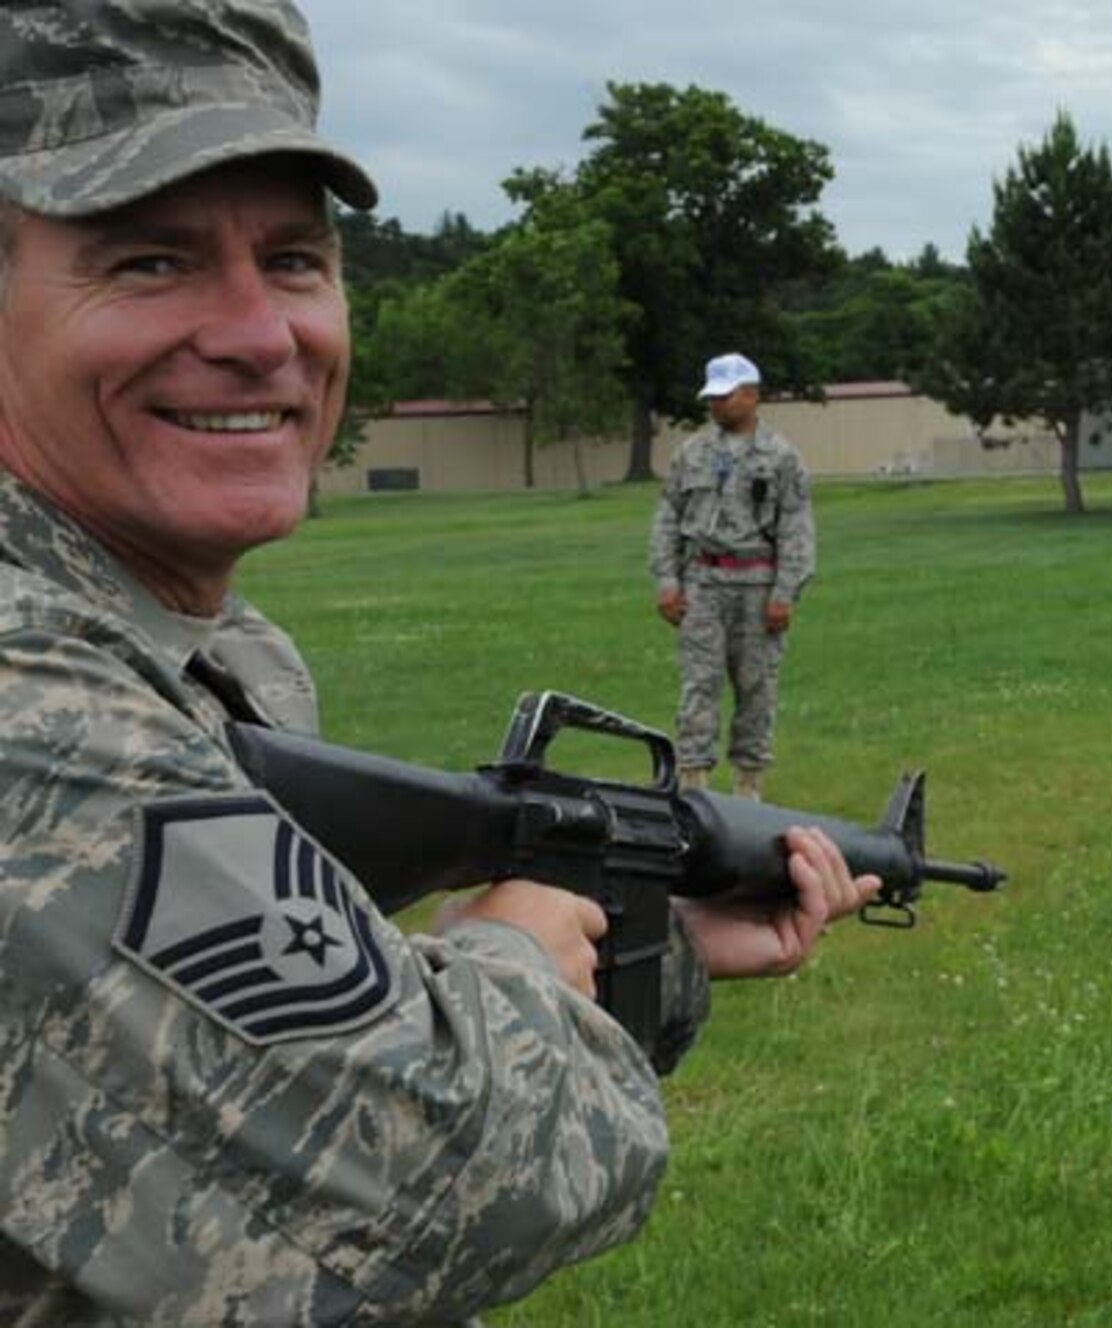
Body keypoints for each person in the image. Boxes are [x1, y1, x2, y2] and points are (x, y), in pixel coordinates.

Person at [0, 4, 877, 1323]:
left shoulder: (182, 651)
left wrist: (644, 939)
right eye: (145, 262)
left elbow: (211, 1072)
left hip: (755, 598)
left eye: (294, 259)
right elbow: (457, 1181)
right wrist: (516, 958)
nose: (257, 332)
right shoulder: (31, 704)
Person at [651, 353, 816, 802]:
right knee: (698, 685)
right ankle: (692, 789)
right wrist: (668, 581)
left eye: (726, 396)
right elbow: (668, 518)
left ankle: (748, 791)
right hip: (702, 583)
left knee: (756, 688)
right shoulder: (692, 452)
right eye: (713, 398)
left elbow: (796, 528)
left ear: (751, 395)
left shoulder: (781, 457)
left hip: (757, 586)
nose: (718, 406)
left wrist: (785, 592)